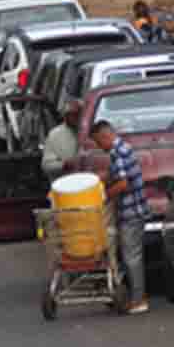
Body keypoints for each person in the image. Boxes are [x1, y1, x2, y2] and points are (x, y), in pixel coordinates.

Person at [91, 120, 150, 314]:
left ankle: (139, 300)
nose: (100, 148)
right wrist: (100, 179)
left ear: (104, 136)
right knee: (131, 255)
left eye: (99, 143)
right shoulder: (124, 148)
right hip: (136, 209)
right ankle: (135, 296)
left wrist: (104, 196)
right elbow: (116, 174)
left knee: (131, 257)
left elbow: (124, 183)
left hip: (130, 211)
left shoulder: (118, 152)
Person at [42, 99, 83, 180]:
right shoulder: (55, 135)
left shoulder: (89, 130)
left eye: (78, 114)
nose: (75, 117)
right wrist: (64, 165)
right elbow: (46, 165)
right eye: (71, 114)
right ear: (65, 116)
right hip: (65, 184)